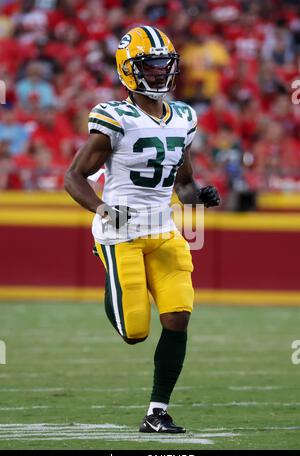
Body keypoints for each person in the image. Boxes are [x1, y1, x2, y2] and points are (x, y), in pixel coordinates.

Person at [64, 26, 220, 433]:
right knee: (135, 331)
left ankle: (157, 412)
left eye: (164, 64)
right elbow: (73, 177)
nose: (159, 72)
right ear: (130, 70)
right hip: (120, 233)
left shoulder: (183, 117)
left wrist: (198, 194)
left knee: (179, 316)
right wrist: (101, 210)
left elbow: (182, 185)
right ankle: (107, 267)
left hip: (164, 230)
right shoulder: (114, 117)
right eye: (151, 65)